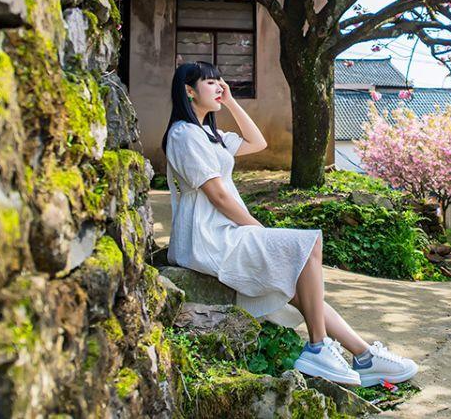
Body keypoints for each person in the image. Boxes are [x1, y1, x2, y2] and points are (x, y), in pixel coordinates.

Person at [162, 61, 418, 387]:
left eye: (220, 82)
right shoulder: (184, 135)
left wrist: (232, 102)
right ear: (188, 90)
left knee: (303, 290)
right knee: (308, 244)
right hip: (207, 237)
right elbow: (218, 196)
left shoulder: (210, 135)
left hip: (223, 233)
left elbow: (257, 143)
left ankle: (364, 355)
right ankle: (317, 347)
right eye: (210, 82)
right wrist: (255, 227)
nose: (219, 87)